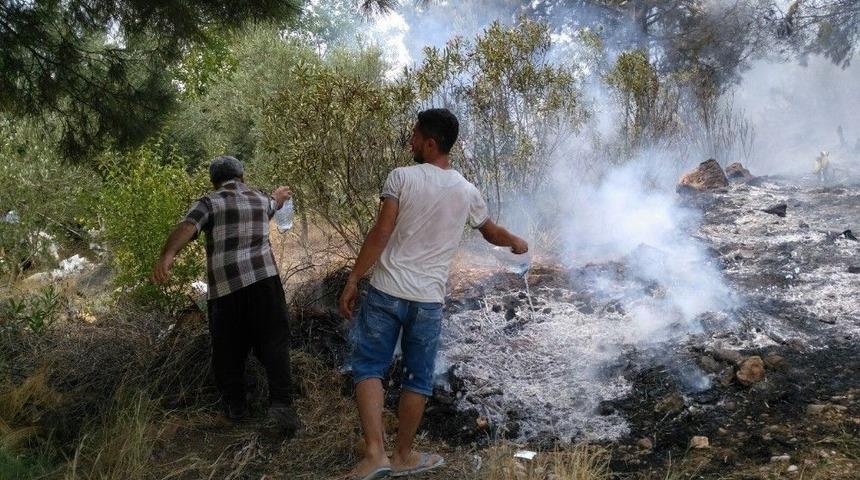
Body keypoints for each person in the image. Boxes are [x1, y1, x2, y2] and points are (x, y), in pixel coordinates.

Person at [339, 109, 528, 479]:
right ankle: (404, 454)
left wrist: (353, 278)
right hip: (427, 301)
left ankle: (376, 455)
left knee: (368, 367)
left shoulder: (401, 178)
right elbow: (490, 232)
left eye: (414, 136)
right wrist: (516, 241)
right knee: (418, 378)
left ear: (430, 143)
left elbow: (380, 232)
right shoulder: (467, 191)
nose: (409, 142)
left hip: (386, 290)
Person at [152, 155, 300, 436]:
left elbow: (188, 227)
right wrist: (279, 196)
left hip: (226, 290)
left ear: (214, 182)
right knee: (274, 344)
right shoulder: (258, 199)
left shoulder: (209, 202)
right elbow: (274, 204)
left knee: (227, 351)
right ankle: (282, 407)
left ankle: (236, 409)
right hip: (264, 282)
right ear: (242, 177)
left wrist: (167, 255)